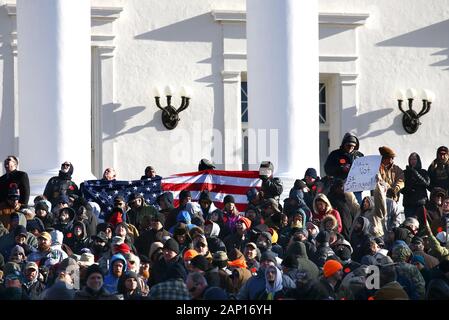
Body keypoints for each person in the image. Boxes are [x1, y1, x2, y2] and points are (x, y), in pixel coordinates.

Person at [401, 152, 430, 218]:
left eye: (414, 159)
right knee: (409, 225)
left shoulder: (423, 172)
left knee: (422, 226)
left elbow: (426, 183)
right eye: (411, 159)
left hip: (421, 204)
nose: (413, 161)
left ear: (418, 160)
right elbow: (402, 188)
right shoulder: (404, 172)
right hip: (409, 204)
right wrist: (409, 189)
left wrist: (415, 173)